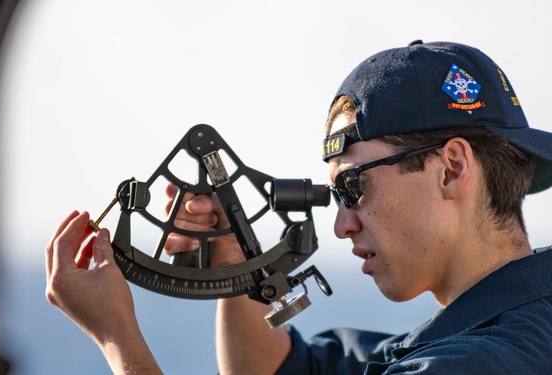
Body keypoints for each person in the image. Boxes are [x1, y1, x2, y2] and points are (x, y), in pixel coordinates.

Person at [45, 40, 552, 374]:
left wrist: (116, 335)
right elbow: (269, 369)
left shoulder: (476, 363)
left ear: (452, 169)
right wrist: (235, 260)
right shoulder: (503, 332)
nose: (341, 224)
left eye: (353, 187)